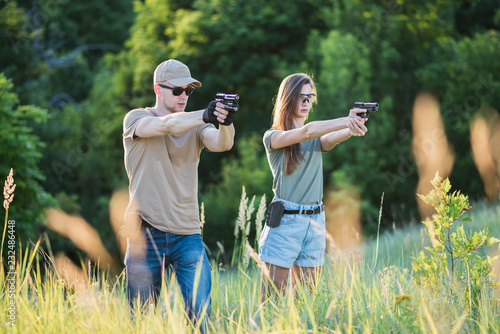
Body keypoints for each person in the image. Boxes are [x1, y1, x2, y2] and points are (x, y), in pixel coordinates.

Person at [122, 59, 236, 330]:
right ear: (158, 89)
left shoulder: (195, 126)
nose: (184, 95)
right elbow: (166, 126)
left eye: (189, 90)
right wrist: (206, 114)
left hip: (188, 235)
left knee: (200, 317)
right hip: (145, 233)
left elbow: (223, 143)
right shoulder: (137, 118)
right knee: (142, 322)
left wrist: (226, 121)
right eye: (178, 90)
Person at [258, 73, 367, 299]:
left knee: (306, 302)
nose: (307, 102)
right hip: (285, 221)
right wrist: (347, 119)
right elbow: (308, 131)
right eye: (301, 97)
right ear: (287, 99)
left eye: (310, 97)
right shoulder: (273, 136)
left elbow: (332, 138)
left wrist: (353, 127)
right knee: (270, 300)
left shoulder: (316, 140)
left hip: (315, 221)